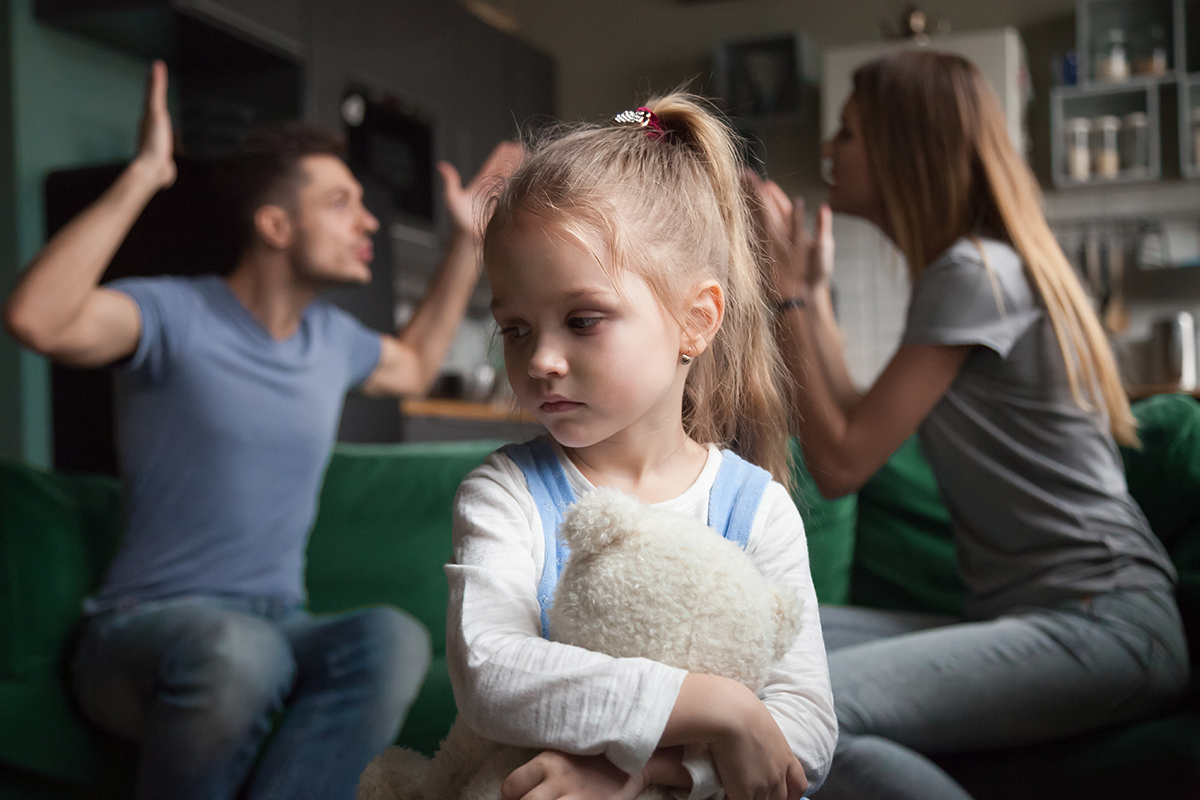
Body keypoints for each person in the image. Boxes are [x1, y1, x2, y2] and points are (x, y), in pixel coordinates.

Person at [2, 61, 521, 800]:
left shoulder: (330, 339)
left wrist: (468, 241)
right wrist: (147, 174)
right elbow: (37, 318)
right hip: (140, 632)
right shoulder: (173, 316)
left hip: (280, 623)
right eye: (342, 203)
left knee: (391, 638)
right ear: (275, 225)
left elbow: (410, 366)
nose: (368, 220)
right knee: (240, 654)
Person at [748, 50, 1189, 800]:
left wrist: (783, 292)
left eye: (848, 135)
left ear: (902, 149)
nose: (828, 151)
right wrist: (812, 296)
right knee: (759, 640)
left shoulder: (972, 272)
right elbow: (856, 414)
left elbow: (842, 462)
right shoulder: (968, 271)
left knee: (796, 718)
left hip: (1104, 626)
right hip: (1046, 618)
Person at [445, 95, 837, 800]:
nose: (542, 361)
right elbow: (490, 672)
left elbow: (804, 731)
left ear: (697, 320)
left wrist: (642, 775)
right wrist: (722, 708)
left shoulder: (759, 510)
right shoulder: (505, 494)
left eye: (582, 320)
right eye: (517, 330)